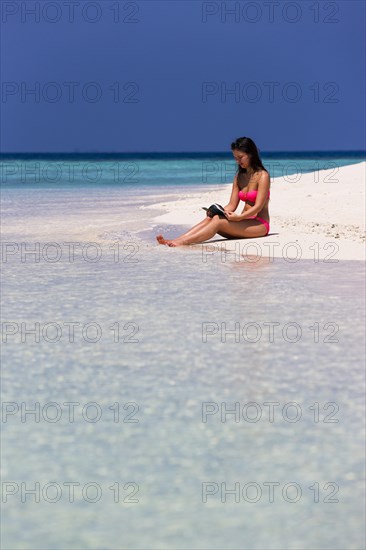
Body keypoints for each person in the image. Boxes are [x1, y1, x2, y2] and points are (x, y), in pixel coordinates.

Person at [156, 136, 270, 247]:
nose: (237, 161)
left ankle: (182, 243)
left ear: (251, 154)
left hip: (259, 224)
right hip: (243, 223)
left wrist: (239, 218)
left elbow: (258, 207)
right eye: (235, 158)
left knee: (218, 221)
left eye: (240, 157)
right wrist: (219, 211)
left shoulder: (262, 176)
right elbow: (232, 205)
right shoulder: (239, 177)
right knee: (212, 217)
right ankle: (177, 239)